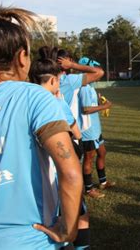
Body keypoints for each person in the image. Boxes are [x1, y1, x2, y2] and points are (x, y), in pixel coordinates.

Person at [0, 7, 83, 249]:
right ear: (21, 57)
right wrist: (68, 230)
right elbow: (70, 172)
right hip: (28, 240)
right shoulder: (35, 97)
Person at [29, 47, 91, 250]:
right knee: (77, 212)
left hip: (35, 180)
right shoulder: (53, 102)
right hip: (60, 167)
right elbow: (76, 132)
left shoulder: (24, 99)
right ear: (54, 80)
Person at [54, 48, 105, 199]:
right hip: (74, 130)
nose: (72, 63)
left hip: (58, 129)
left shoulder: (47, 80)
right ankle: (82, 194)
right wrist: (73, 65)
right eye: (70, 60)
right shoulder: (68, 82)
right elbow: (99, 72)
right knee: (73, 168)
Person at [77, 57, 116, 196]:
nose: (98, 73)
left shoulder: (90, 87)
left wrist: (99, 101)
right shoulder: (85, 89)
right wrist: (104, 106)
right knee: (89, 158)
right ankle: (88, 189)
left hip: (95, 129)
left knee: (102, 153)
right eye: (95, 70)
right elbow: (85, 109)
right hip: (88, 130)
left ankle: (103, 182)